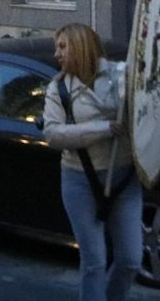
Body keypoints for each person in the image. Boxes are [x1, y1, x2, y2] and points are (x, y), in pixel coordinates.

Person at [44, 23, 141, 301]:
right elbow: (53, 134)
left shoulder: (120, 76)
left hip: (123, 178)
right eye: (56, 47)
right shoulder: (58, 89)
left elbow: (148, 109)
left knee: (131, 258)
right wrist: (105, 128)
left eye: (62, 46)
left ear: (80, 45)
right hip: (79, 180)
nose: (56, 54)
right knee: (95, 261)